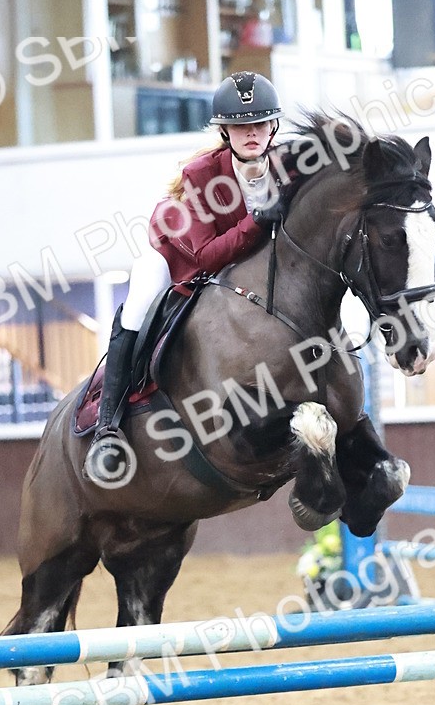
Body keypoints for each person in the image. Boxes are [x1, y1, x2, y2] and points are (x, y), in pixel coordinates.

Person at [83, 71, 286, 484]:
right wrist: (256, 222)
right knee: (139, 301)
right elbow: (207, 255)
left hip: (248, 270)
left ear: (274, 127)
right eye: (241, 126)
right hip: (181, 258)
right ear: (225, 132)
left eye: (260, 123)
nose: (252, 133)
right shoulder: (201, 175)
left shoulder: (289, 168)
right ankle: (109, 424)